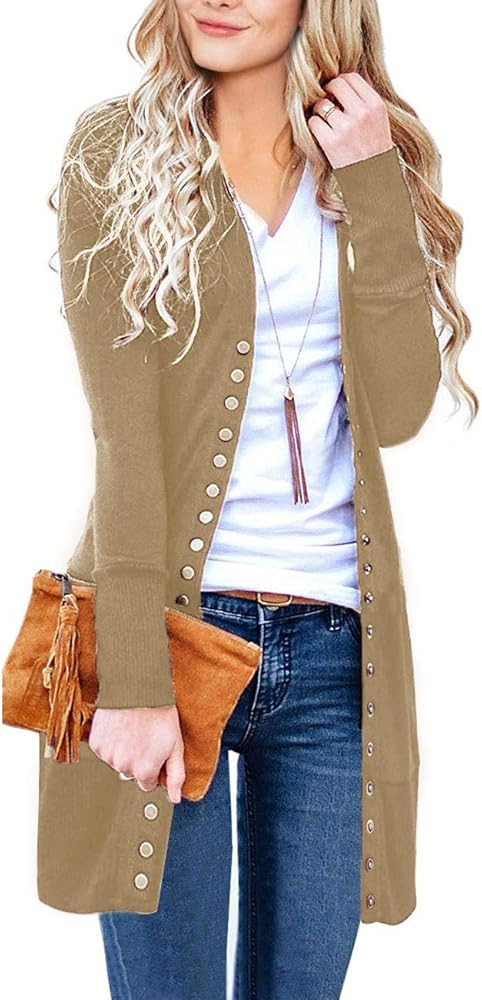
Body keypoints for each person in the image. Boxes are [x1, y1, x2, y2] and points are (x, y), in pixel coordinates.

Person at [48, 1, 475, 997]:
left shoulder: (365, 159)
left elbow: (399, 407)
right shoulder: (116, 152)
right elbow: (123, 441)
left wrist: (374, 182)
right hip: (172, 630)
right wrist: (135, 678)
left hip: (332, 653)